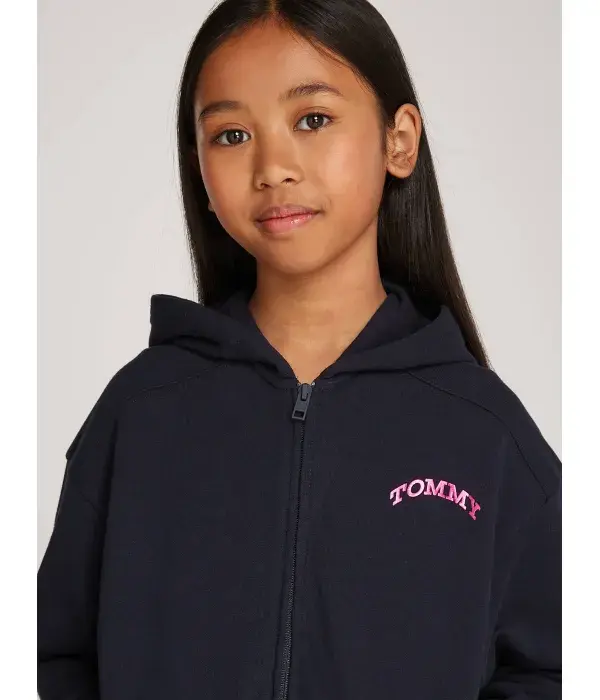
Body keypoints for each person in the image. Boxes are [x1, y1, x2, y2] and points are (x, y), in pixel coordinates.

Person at [37, 1, 561, 698]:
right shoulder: (139, 412)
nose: (273, 167)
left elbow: (555, 665)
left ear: (399, 141)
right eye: (231, 135)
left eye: (312, 119)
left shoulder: (485, 433)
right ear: (199, 168)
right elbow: (52, 653)